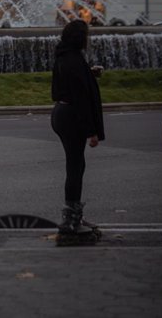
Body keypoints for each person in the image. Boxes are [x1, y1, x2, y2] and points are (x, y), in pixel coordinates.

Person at [50, 19, 105, 237]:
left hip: (61, 113)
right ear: (80, 38)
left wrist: (89, 74)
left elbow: (72, 83)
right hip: (71, 116)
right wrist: (91, 132)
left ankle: (75, 216)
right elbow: (80, 99)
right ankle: (70, 221)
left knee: (77, 166)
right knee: (75, 167)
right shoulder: (72, 59)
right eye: (86, 35)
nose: (88, 39)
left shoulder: (65, 55)